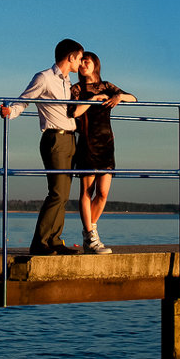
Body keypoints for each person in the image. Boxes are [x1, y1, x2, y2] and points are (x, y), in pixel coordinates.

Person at [0, 39, 84, 255]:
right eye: (80, 58)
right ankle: (39, 242)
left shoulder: (68, 83)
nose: (81, 63)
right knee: (56, 192)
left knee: (64, 195)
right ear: (71, 57)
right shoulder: (44, 77)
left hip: (70, 139)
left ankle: (55, 239)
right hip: (54, 138)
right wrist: (11, 112)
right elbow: (24, 99)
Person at [68, 51, 135, 255]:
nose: (82, 65)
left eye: (86, 61)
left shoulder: (107, 85)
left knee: (103, 193)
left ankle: (90, 231)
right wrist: (95, 99)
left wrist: (118, 97)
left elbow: (133, 98)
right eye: (80, 63)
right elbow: (74, 112)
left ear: (95, 63)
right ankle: (91, 236)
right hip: (87, 143)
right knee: (86, 192)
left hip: (107, 144)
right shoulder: (77, 88)